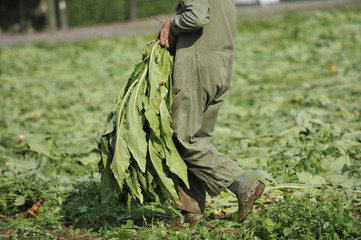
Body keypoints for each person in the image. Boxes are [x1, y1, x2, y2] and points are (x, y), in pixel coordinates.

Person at [159, 0, 264, 225]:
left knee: (183, 138)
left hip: (198, 63)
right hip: (220, 63)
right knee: (197, 139)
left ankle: (243, 184)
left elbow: (196, 17)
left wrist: (172, 25)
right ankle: (191, 212)